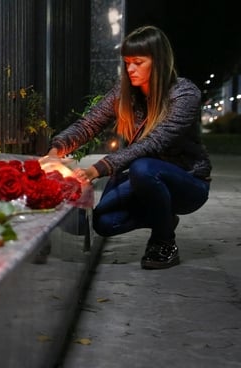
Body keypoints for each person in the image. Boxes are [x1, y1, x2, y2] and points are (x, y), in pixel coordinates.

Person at [45, 25, 211, 270]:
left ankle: (163, 241)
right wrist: (56, 150)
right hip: (141, 178)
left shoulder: (184, 94)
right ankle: (163, 215)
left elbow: (154, 143)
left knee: (143, 168)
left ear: (159, 62)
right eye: (127, 62)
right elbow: (89, 123)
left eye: (138, 62)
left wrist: (96, 170)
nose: (130, 69)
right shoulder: (125, 93)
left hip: (187, 182)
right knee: (104, 223)